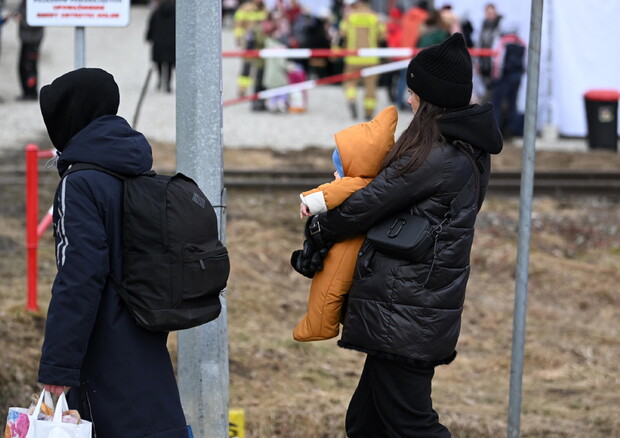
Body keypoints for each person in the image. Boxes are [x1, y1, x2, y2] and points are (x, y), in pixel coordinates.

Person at [295, 33, 503, 436]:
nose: (408, 100)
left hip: (407, 310)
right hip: (412, 306)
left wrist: (319, 227)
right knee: (366, 422)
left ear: (429, 98)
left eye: (412, 92)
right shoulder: (462, 148)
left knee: (411, 424)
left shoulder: (437, 157)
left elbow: (367, 203)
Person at [37, 68, 192, 438]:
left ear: (69, 118)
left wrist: (58, 367)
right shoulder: (135, 168)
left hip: (102, 345)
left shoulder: (80, 184)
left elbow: (79, 278)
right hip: (146, 332)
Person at [293, 106, 398, 342]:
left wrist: (308, 202)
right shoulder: (374, 182)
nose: (334, 174)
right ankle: (320, 322)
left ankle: (319, 325)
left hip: (348, 245)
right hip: (357, 239)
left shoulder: (356, 183)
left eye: (339, 169)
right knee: (333, 286)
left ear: (355, 165)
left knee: (329, 283)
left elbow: (331, 193)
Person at [340, 0, 385, 120]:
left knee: (350, 82)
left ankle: (352, 99)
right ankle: (368, 113)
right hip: (371, 58)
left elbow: (342, 34)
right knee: (370, 86)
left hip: (353, 57)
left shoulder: (349, 16)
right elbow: (382, 36)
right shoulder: (375, 17)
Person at [491, 22, 526, 137]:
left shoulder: (503, 42)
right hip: (517, 76)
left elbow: (498, 61)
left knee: (497, 104)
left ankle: (496, 129)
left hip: (505, 76)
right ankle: (512, 130)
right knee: (513, 104)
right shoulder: (521, 43)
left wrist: (495, 76)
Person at [15, 0, 44, 100]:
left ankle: (31, 92)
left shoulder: (37, 3)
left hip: (32, 40)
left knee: (29, 67)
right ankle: (27, 92)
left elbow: (37, 20)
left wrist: (21, 20)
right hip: (26, 39)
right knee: (23, 66)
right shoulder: (25, 2)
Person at [146, 0, 176, 93]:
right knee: (170, 66)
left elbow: (151, 27)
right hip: (172, 44)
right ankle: (167, 84)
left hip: (158, 43)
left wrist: (149, 37)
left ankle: (160, 80)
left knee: (159, 64)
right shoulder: (176, 15)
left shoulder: (156, 13)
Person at [477, 3, 502, 99]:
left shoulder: (500, 26)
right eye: (488, 13)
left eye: (491, 13)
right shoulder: (483, 25)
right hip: (485, 62)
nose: (489, 15)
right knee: (486, 88)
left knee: (496, 89)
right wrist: (478, 62)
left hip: (496, 62)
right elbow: (480, 43)